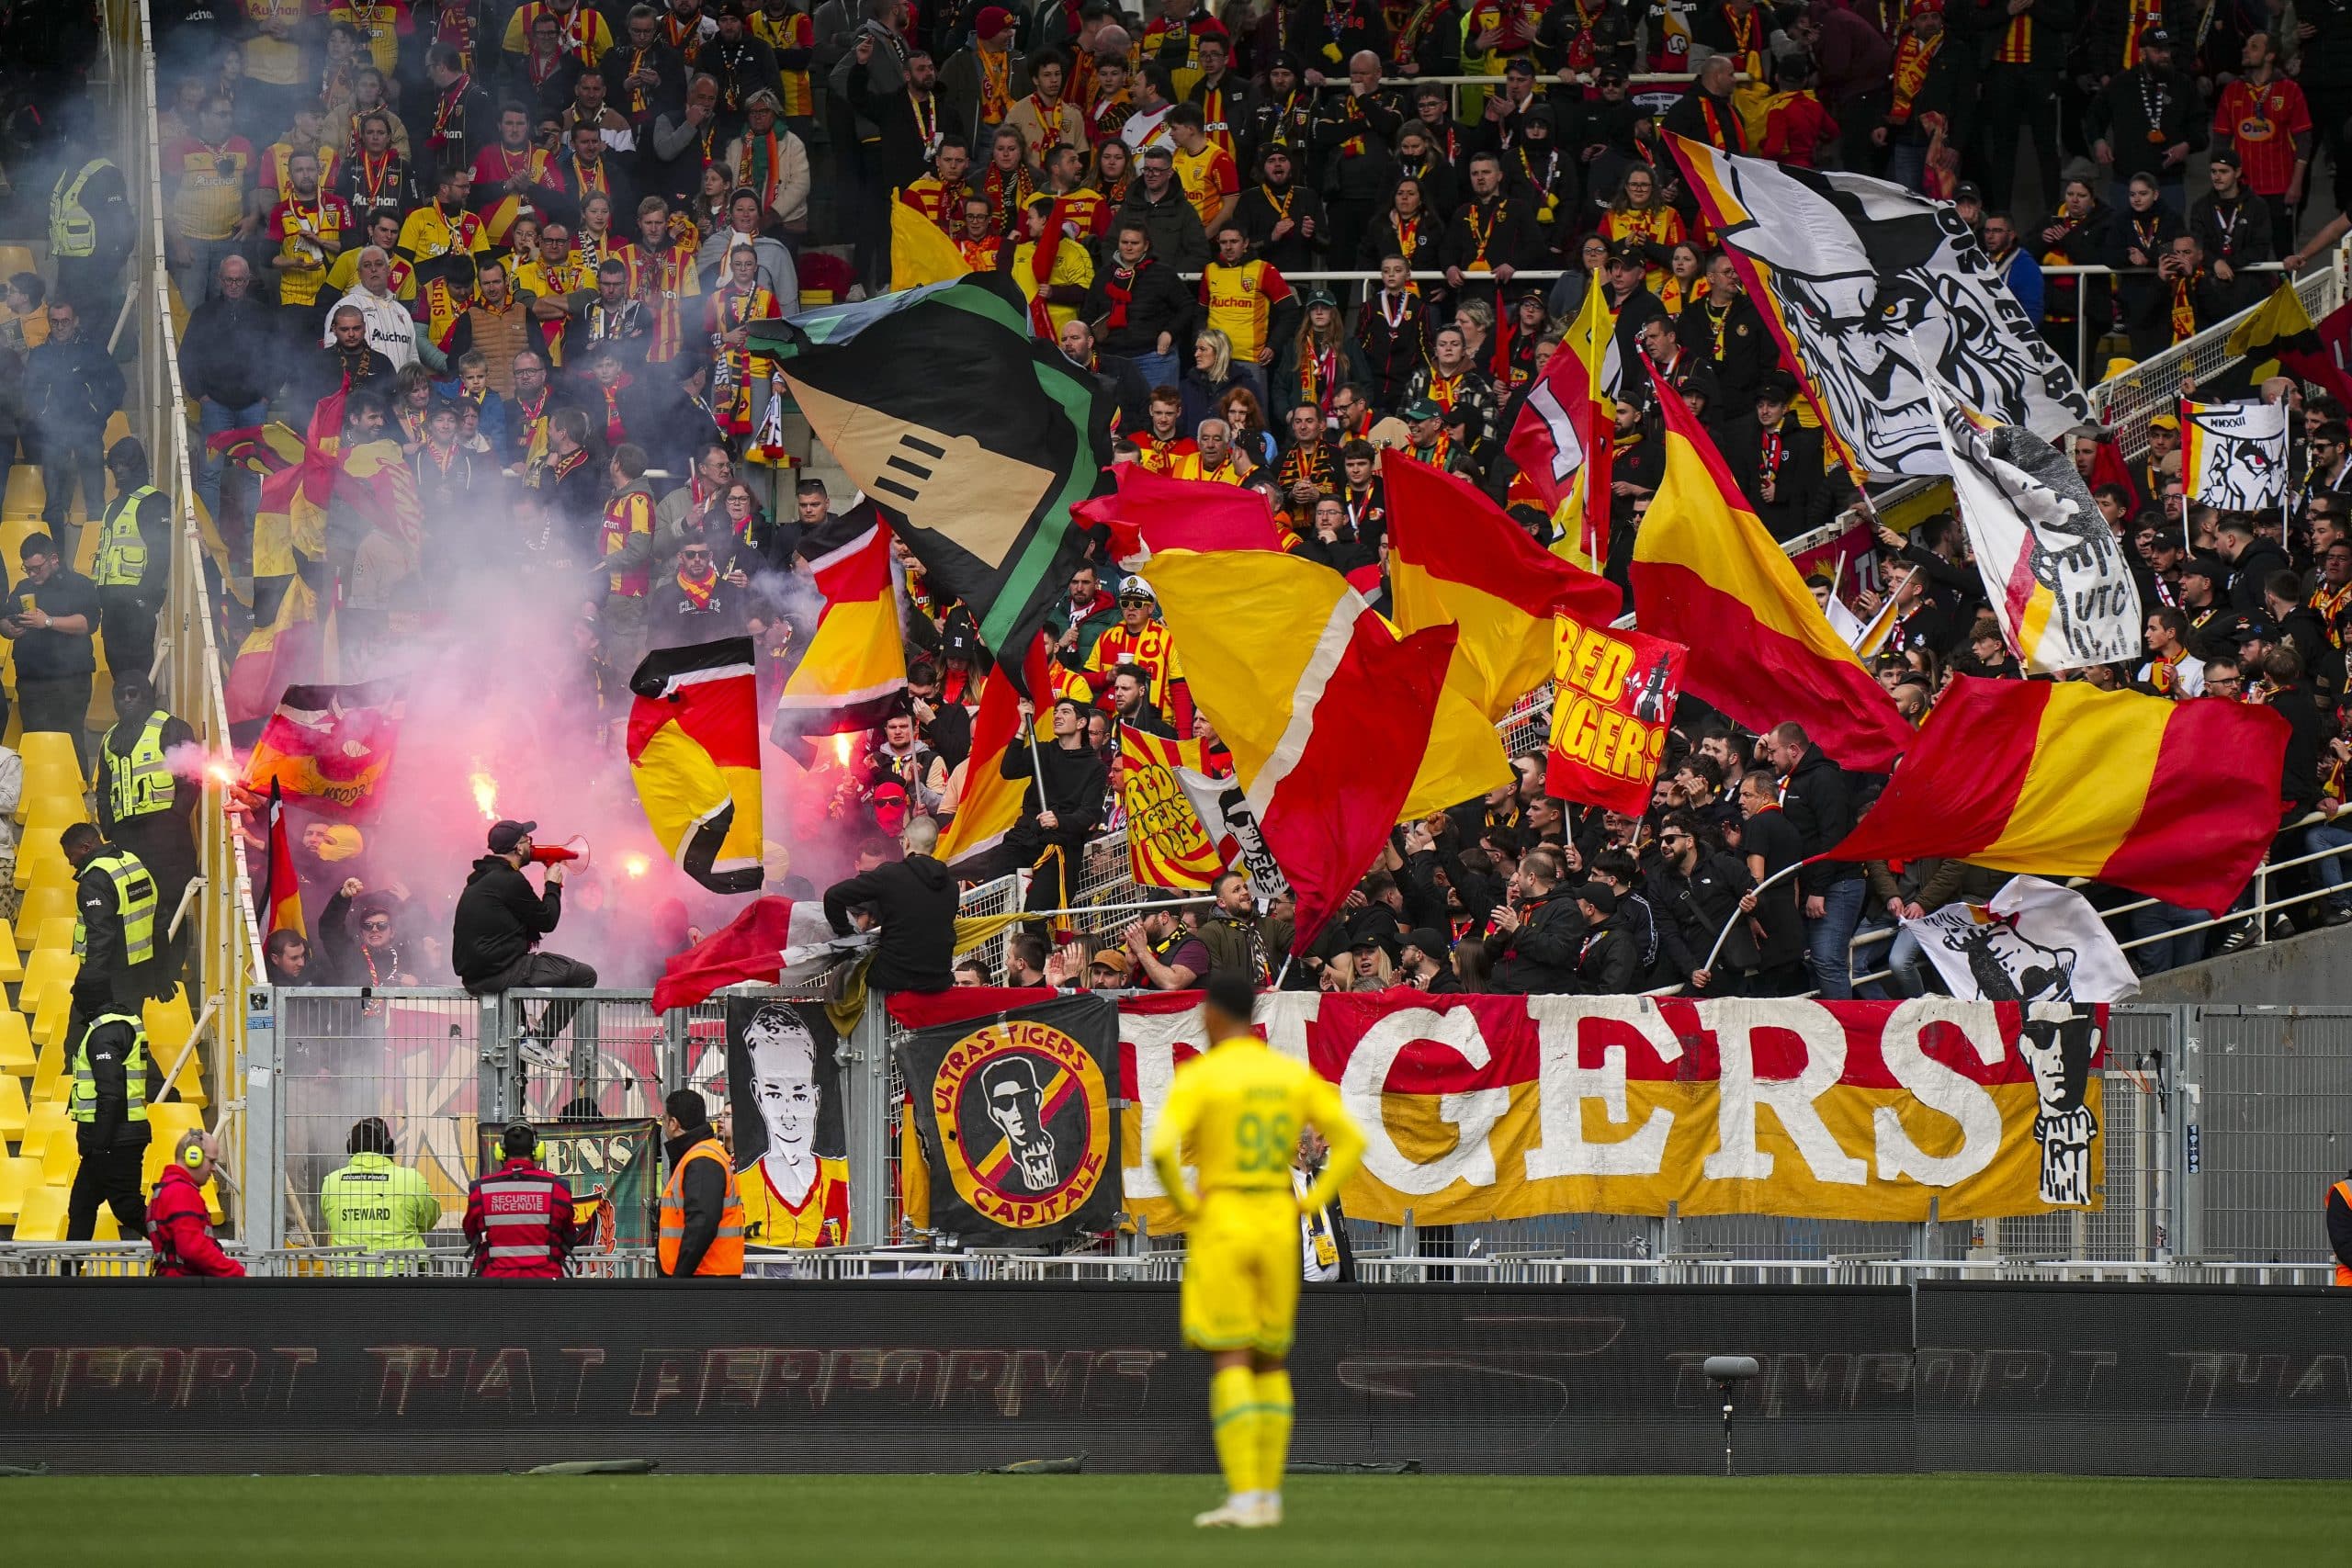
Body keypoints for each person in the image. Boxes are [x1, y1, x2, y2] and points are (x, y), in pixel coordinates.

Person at [1149, 971, 1364, 1529]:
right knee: (1271, 1361)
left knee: (1231, 1357)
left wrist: (1190, 1207)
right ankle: (1268, 1495)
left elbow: (1163, 1152)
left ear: (1215, 1016)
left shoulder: (1204, 1076)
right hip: (1277, 1219)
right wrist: (1313, 1195)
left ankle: (1245, 1496)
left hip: (1224, 1218)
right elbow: (1351, 1139)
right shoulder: (1286, 1074)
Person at [452, 818, 598, 1067]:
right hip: (501, 971)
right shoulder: (509, 880)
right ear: (519, 848)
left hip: (483, 973)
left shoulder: (481, 878)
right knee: (584, 975)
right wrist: (552, 884)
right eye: (527, 840)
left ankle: (524, 1052)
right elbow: (547, 920)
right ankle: (539, 1042)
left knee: (513, 1060)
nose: (532, 844)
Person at [96, 672, 200, 973]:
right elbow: (103, 788)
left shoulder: (171, 728)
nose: (127, 700)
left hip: (165, 834)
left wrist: (175, 817)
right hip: (126, 837)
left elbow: (191, 777)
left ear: (148, 696)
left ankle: (170, 971)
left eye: (134, 693)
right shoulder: (109, 738)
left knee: (169, 903)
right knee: (135, 905)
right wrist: (108, 827)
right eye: (121, 695)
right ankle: (141, 973)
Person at [820, 813, 957, 992]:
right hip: (939, 977)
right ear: (935, 846)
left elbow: (833, 896)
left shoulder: (890, 875)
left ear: (906, 842)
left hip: (894, 976)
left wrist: (848, 935)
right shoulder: (952, 885)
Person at [23, 298, 123, 536]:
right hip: (53, 435)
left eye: (65, 321)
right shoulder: (39, 355)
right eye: (54, 322)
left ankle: (97, 556)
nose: (59, 327)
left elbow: (117, 386)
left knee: (95, 502)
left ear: (75, 321)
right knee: (53, 505)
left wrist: (98, 416)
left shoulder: (93, 351)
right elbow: (28, 393)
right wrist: (43, 420)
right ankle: (55, 563)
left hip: (87, 432)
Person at [3, 533, 101, 771]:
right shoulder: (23, 587)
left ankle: (77, 788)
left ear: (53, 559)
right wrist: (9, 628)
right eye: (27, 569)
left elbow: (87, 623)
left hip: (70, 679)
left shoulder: (80, 584)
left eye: (37, 568)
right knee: (35, 738)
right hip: (31, 679)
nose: (32, 574)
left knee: (69, 735)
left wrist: (48, 622)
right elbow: (5, 619)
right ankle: (38, 789)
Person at [65, 1006, 152, 1242]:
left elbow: (110, 1094)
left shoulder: (105, 1033)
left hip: (114, 1140)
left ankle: (186, 1249)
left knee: (127, 1208)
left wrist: (99, 1144)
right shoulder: (123, 1026)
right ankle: (67, 1275)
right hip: (115, 1138)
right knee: (82, 1206)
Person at [91, 438, 171, 682]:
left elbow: (160, 556)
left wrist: (143, 601)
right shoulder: (112, 506)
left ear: (137, 464)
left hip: (136, 607)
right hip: (112, 607)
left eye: (124, 463)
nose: (119, 470)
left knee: (139, 677)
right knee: (120, 676)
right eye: (114, 464)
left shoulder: (155, 502)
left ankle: (143, 720)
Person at [461, 1121, 585, 1277]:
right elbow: (568, 1237)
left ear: (500, 1151)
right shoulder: (557, 1187)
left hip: (495, 1284)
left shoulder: (481, 1189)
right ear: (537, 1151)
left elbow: (471, 1234)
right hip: (546, 1282)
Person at [320, 1116, 443, 1250]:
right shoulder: (411, 1179)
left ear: (350, 1148)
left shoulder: (331, 1182)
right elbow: (428, 1220)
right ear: (389, 1147)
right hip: (402, 1267)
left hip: (348, 1268)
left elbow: (332, 1222)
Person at [659, 1087, 744, 1275]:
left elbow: (702, 1224)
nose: (663, 1124)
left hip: (705, 1277)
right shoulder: (700, 1155)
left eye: (664, 1119)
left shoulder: (702, 1159)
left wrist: (680, 1276)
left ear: (673, 1123)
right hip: (707, 1274)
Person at [148, 1129, 244, 1277]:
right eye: (211, 1161)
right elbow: (193, 1247)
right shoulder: (181, 1192)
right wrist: (237, 1273)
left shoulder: (167, 1188)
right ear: (193, 1157)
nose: (214, 1169)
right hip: (186, 1290)